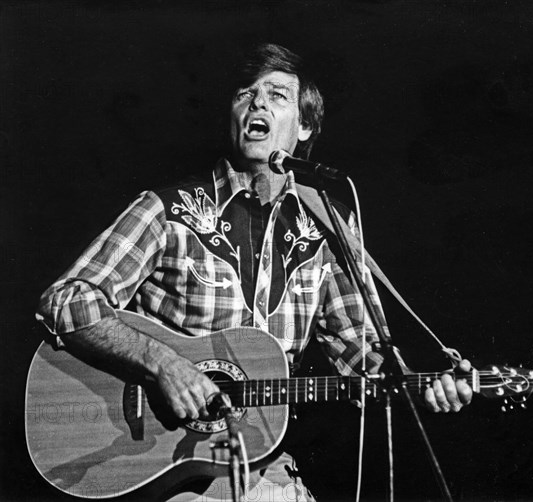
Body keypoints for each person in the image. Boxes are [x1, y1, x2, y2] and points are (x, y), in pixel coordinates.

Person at [36, 43, 472, 501]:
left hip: (268, 471)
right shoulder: (167, 211)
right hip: (170, 474)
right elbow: (65, 300)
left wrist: (424, 385)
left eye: (277, 95)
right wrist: (163, 364)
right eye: (246, 93)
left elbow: (362, 353)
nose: (258, 102)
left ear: (304, 128)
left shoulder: (327, 225)